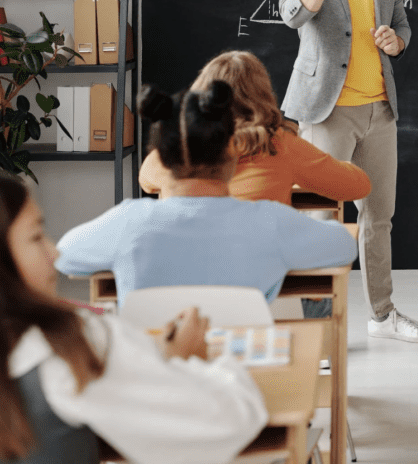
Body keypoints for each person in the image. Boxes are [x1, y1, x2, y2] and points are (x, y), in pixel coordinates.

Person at [0, 172, 268, 464]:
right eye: (36, 236)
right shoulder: (70, 347)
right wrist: (192, 361)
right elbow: (230, 421)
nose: (54, 253)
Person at [279, 0, 418, 343]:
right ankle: (317, 327)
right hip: (327, 110)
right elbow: (291, 14)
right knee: (321, 219)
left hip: (379, 109)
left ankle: (383, 316)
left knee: (378, 217)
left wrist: (397, 42)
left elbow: (402, 21)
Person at [55, 81, 357, 308]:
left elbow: (62, 256)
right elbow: (345, 247)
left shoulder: (129, 222)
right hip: (241, 377)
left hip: (156, 377)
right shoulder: (270, 222)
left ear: (159, 156)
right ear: (231, 151)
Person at [138, 50, 371, 206]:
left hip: (186, 272)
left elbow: (146, 180)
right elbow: (358, 186)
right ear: (262, 94)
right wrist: (336, 164)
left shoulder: (180, 145)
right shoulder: (280, 144)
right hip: (257, 271)